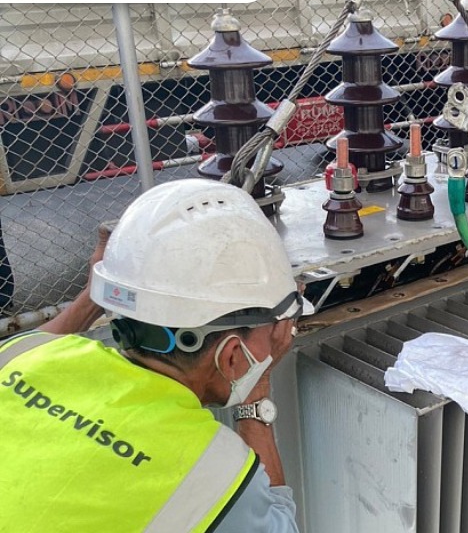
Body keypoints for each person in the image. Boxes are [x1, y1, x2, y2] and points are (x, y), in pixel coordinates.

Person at [0, 178, 312, 532]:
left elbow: (36, 342)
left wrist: (94, 294)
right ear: (231, 357)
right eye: (273, 333)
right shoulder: (214, 473)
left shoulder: (27, 359)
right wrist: (257, 390)